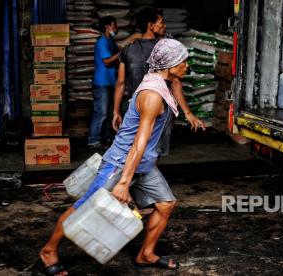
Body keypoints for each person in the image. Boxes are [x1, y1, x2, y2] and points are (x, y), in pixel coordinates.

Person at [37, 39, 191, 275]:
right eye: (183, 61)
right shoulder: (152, 94)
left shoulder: (162, 84)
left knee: (166, 204)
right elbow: (138, 143)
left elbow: (147, 145)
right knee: (84, 208)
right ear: (169, 64)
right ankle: (48, 250)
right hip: (120, 163)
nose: (186, 65)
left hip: (143, 163)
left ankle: (145, 254)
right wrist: (123, 183)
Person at [112, 7, 205, 141]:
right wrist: (188, 113)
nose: (164, 25)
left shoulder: (128, 49)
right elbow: (175, 82)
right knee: (153, 153)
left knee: (135, 148)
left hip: (136, 109)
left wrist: (116, 112)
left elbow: (121, 83)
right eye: (161, 22)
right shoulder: (165, 49)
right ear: (150, 26)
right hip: (159, 109)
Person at [87, 16, 120, 149]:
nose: (116, 28)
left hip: (110, 82)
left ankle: (106, 138)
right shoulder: (102, 42)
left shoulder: (110, 41)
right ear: (108, 27)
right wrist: (120, 53)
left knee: (108, 113)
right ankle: (93, 140)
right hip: (102, 83)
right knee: (101, 113)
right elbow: (106, 61)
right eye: (114, 25)